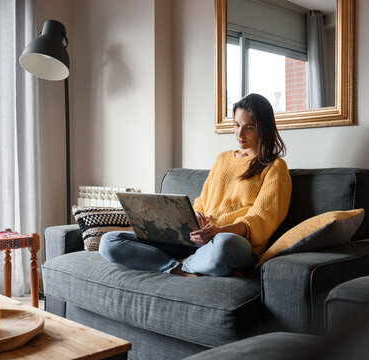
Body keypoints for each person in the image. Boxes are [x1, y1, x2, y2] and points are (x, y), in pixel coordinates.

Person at [99, 93, 292, 276]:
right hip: (197, 241)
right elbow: (203, 201)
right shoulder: (222, 159)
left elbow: (262, 219)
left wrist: (218, 231)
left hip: (231, 242)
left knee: (227, 245)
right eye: (236, 125)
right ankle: (177, 267)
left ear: (264, 127)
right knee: (109, 241)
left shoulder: (275, 167)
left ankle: (188, 263)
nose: (239, 133)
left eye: (249, 127)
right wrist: (195, 217)